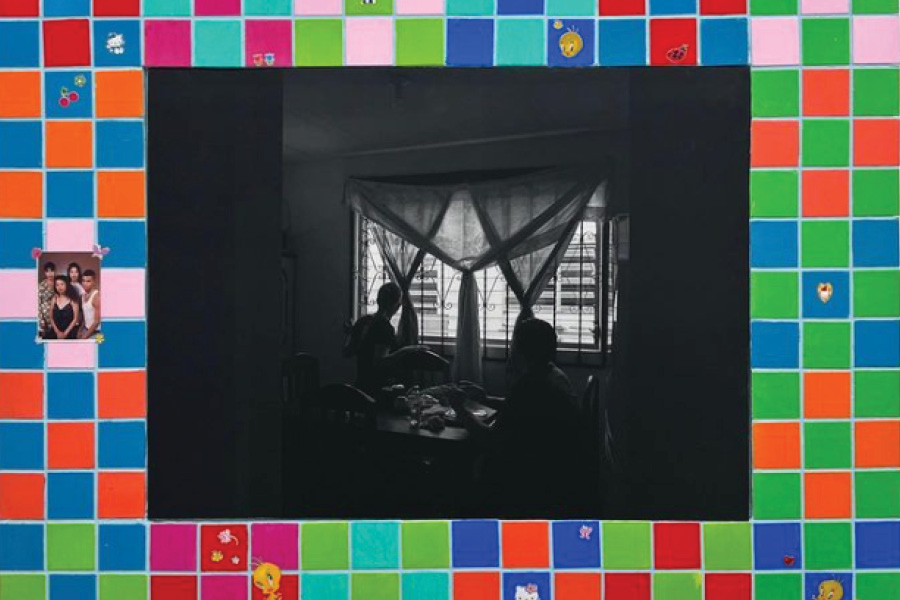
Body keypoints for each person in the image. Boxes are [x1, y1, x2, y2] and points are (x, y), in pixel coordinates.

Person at [451, 318, 594, 517]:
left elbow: (490, 439)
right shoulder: (552, 374)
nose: (511, 348)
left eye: (513, 343)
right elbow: (518, 408)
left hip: (534, 479)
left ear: (521, 350)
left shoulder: (530, 385)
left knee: (458, 467)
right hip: (561, 468)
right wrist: (485, 398)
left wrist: (459, 408)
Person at [343, 282, 427, 394]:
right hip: (378, 389)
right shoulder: (385, 327)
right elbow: (379, 362)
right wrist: (405, 350)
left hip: (360, 385)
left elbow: (346, 353)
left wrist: (350, 333)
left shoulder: (362, 321)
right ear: (397, 306)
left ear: (377, 300)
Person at [46, 275, 81, 340]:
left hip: (70, 331)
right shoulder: (54, 299)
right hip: (55, 330)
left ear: (67, 285)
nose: (59, 287)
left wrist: (65, 333)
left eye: (62, 284)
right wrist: (57, 332)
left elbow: (75, 319)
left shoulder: (73, 300)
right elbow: (51, 317)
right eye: (57, 285)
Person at [79, 269, 101, 339]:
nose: (85, 283)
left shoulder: (97, 296)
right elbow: (85, 316)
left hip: (98, 332)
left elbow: (97, 321)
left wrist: (85, 337)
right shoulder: (83, 295)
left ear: (94, 282)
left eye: (88, 281)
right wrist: (80, 330)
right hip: (86, 329)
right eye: (83, 280)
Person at [38, 262, 56, 338]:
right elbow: (38, 303)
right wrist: (41, 319)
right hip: (45, 316)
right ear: (45, 273)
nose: (50, 273)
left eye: (52, 271)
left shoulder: (58, 283)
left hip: (57, 314)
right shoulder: (41, 285)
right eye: (47, 271)